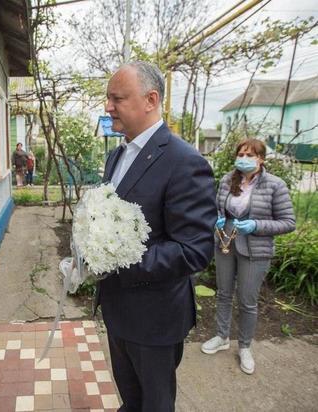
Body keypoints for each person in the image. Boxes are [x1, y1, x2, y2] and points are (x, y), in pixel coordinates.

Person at [94, 61, 216, 412]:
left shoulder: (184, 161)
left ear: (150, 100)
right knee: (131, 400)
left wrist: (116, 261)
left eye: (118, 98)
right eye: (108, 98)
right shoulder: (117, 155)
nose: (108, 106)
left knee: (155, 404)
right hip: (117, 310)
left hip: (154, 319)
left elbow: (193, 250)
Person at [201, 139, 295, 374]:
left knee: (247, 300)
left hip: (255, 248)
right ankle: (222, 336)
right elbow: (217, 208)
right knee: (224, 293)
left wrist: (256, 225)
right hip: (225, 242)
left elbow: (288, 222)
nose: (243, 158)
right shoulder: (227, 179)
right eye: (241, 154)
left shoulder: (275, 185)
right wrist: (217, 218)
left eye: (249, 155)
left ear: (261, 159)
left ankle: (244, 347)